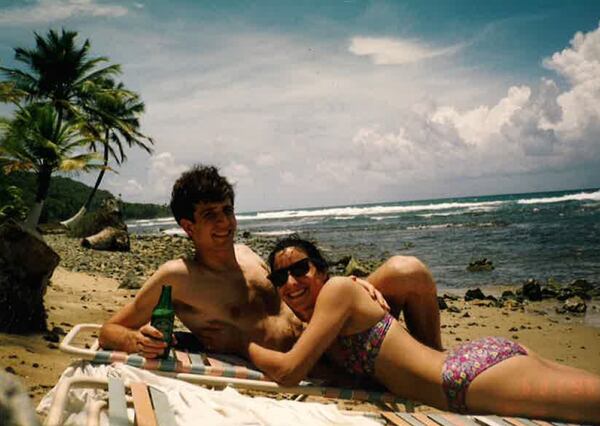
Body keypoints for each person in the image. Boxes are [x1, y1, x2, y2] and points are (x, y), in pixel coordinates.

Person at [99, 164, 442, 360]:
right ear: (188, 227)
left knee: (407, 271)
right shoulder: (178, 276)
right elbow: (110, 330)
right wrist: (137, 342)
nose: (225, 223)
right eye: (210, 215)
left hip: (325, 333)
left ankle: (435, 362)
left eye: (227, 211)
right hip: (307, 361)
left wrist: (352, 285)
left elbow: (304, 293)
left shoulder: (248, 255)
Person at [245, 236, 600, 423]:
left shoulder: (338, 290)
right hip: (474, 366)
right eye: (280, 277)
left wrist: (244, 345)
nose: (291, 282)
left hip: (467, 379)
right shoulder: (326, 324)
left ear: (321, 271)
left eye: (300, 269)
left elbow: (290, 372)